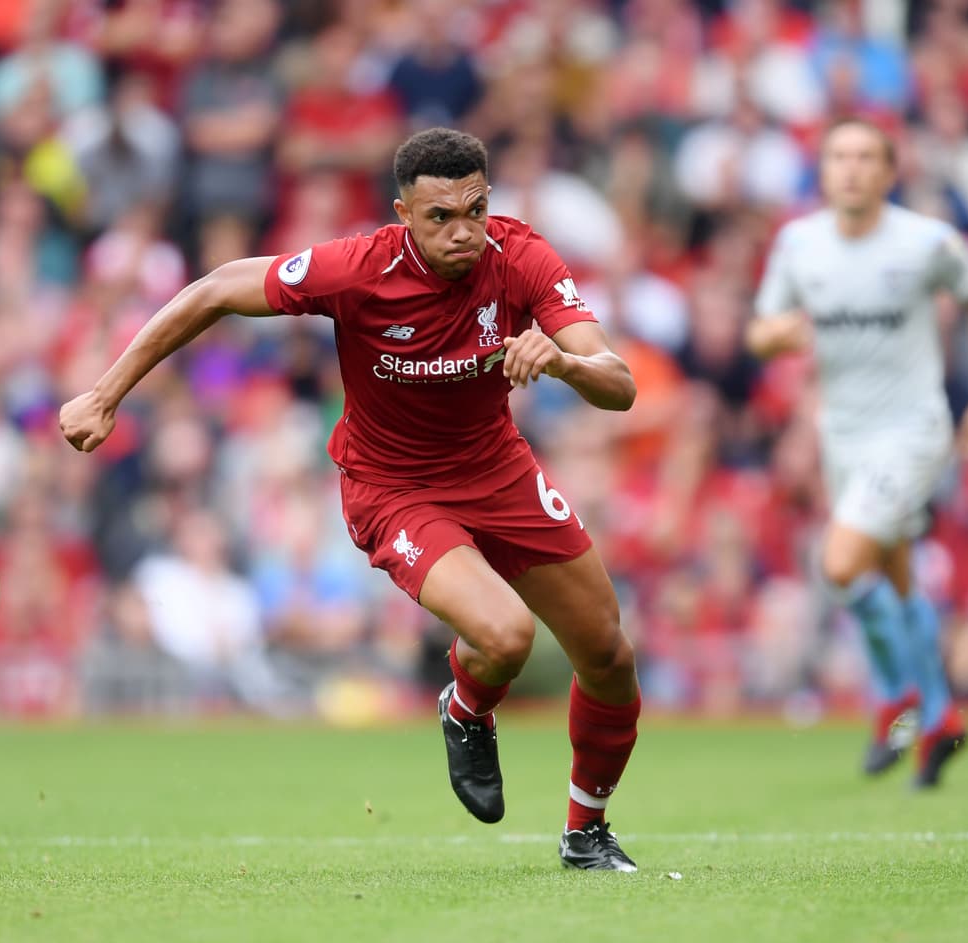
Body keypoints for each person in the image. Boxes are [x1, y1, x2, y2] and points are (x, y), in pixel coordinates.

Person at [59, 127, 643, 870]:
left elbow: (618, 383)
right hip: (394, 489)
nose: (463, 231)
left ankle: (585, 833)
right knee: (505, 636)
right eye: (439, 217)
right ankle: (465, 708)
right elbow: (214, 291)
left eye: (476, 209)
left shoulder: (521, 256)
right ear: (403, 213)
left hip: (499, 471)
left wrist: (563, 361)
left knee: (609, 653)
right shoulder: (355, 270)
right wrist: (105, 395)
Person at [747, 118, 968, 788]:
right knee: (894, 579)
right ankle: (943, 718)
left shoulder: (925, 242)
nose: (853, 169)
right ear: (824, 170)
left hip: (913, 430)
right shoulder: (799, 243)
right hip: (844, 436)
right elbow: (762, 329)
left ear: (891, 172)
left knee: (838, 562)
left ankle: (898, 697)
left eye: (867, 157)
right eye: (840, 157)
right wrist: (776, 336)